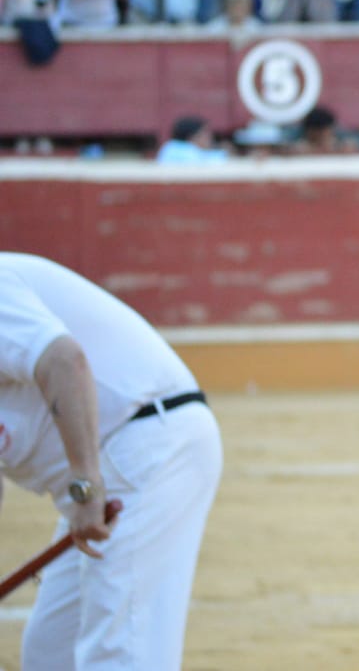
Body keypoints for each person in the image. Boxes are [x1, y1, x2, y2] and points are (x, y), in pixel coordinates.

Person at [0, 253, 221, 670]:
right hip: (109, 465)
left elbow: (64, 360)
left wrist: (84, 487)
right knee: (51, 654)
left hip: (148, 442)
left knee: (120, 650)